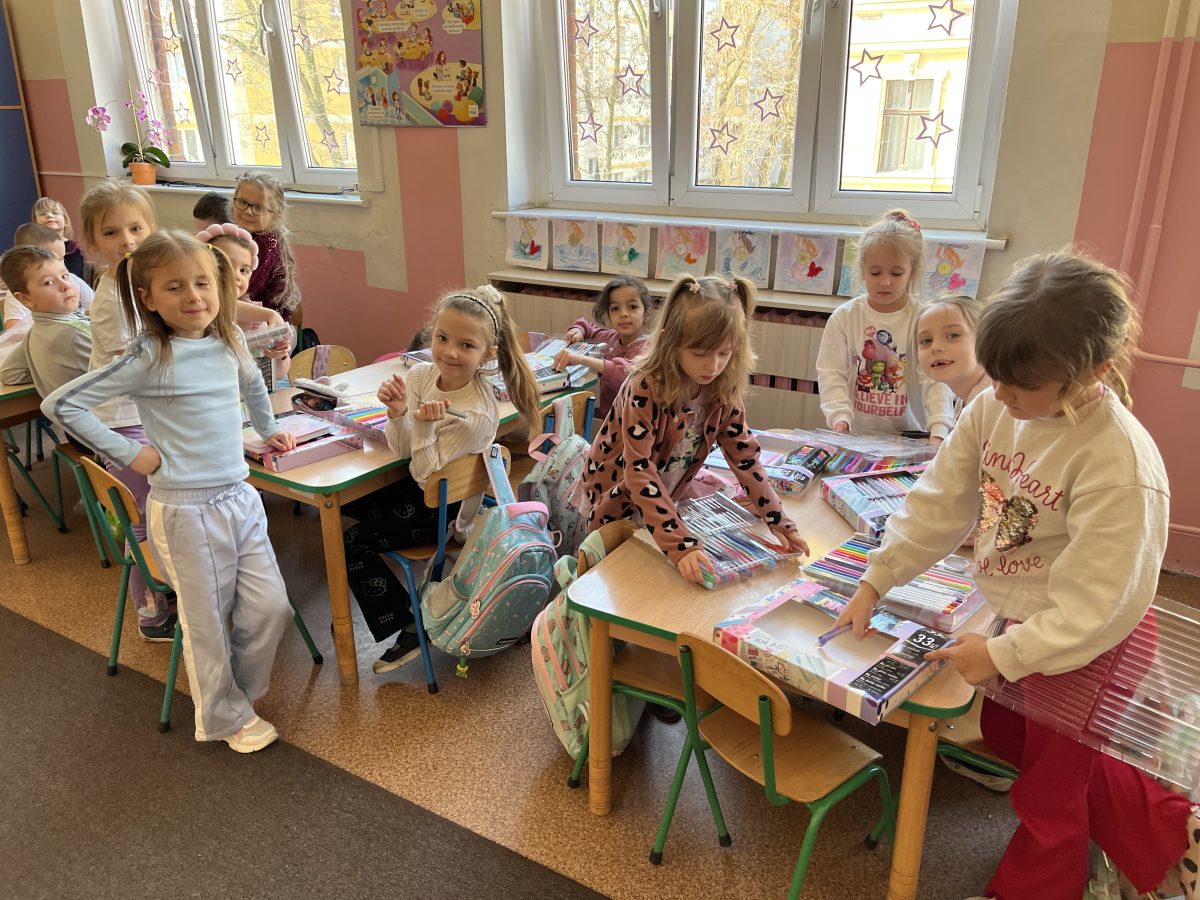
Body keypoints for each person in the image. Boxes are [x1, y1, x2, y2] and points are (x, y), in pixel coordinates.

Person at [833, 250, 1199, 900]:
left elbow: (1097, 608)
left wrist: (1003, 654)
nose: (999, 395)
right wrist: (875, 578)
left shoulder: (1117, 460)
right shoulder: (996, 405)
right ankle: (1171, 832)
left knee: (1049, 795)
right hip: (1032, 618)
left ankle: (1034, 888)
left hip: (1092, 640)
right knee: (1011, 736)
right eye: (996, 376)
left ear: (1092, 372)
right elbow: (939, 501)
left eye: (1020, 385)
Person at [43, 230, 298, 754]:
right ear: (149, 298)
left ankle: (238, 696)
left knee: (273, 608)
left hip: (239, 496)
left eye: (203, 283)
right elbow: (63, 405)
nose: (194, 296)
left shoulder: (228, 341)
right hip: (186, 510)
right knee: (206, 623)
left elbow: (253, 382)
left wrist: (267, 427)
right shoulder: (149, 355)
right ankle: (224, 716)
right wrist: (130, 452)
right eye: (175, 287)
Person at [343, 285, 540, 674]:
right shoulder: (420, 375)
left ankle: (410, 624)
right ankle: (409, 610)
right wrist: (398, 413)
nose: (450, 352)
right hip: (422, 486)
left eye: (466, 346)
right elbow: (403, 450)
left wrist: (423, 427)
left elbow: (423, 473)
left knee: (352, 543)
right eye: (442, 338)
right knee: (345, 503)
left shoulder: (477, 413)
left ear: (487, 354)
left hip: (443, 510)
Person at [577, 274, 809, 586]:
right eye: (700, 353)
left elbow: (745, 458)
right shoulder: (645, 385)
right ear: (671, 342)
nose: (713, 366)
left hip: (661, 498)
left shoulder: (723, 388)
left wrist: (778, 519)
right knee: (616, 580)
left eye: (724, 353)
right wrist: (680, 545)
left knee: (658, 583)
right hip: (614, 498)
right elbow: (639, 471)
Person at [78, 181, 174, 641]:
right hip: (121, 420)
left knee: (163, 514)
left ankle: (176, 591)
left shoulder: (142, 281)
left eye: (136, 228)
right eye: (111, 232)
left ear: (151, 228)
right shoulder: (110, 296)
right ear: (92, 242)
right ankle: (151, 612)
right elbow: (129, 362)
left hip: (147, 414)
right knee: (144, 520)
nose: (127, 240)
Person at [816, 209, 954, 438]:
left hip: (913, 437)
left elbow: (936, 380)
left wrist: (939, 428)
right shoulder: (844, 318)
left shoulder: (924, 319)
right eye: (875, 272)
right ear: (863, 270)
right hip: (857, 435)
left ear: (911, 272)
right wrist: (839, 417)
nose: (885, 282)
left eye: (896, 273)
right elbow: (831, 373)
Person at [195, 223, 291, 383]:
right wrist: (269, 314)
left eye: (243, 270)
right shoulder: (193, 308)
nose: (236, 276)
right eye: (224, 265)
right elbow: (222, 306)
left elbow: (276, 375)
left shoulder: (253, 319)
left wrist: (279, 355)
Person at [554, 275, 656, 417]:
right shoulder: (611, 337)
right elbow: (588, 327)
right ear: (608, 315)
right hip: (609, 420)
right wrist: (577, 330)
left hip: (636, 424)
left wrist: (581, 359)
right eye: (615, 308)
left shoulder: (649, 348)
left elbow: (624, 374)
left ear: (647, 313)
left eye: (632, 307)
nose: (623, 314)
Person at [0, 246, 90, 399]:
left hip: (64, 413)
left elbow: (9, 373)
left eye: (65, 276)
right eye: (49, 282)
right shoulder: (74, 332)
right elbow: (123, 373)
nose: (65, 285)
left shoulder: (34, 333)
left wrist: (52, 371)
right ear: (25, 299)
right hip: (101, 412)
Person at [232, 172, 300, 322]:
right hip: (246, 314)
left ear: (275, 214)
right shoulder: (237, 234)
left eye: (258, 207)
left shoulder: (266, 243)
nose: (248, 211)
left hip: (265, 323)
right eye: (242, 202)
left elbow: (244, 288)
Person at [913, 292, 990, 421]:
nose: (936, 347)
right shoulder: (967, 398)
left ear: (984, 338)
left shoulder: (994, 401)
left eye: (953, 335)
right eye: (926, 340)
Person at [12, 223, 95, 314]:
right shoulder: (23, 292)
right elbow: (15, 322)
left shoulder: (72, 279)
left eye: (62, 258)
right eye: (48, 282)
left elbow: (94, 307)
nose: (61, 265)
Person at [32, 197, 88, 282]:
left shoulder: (73, 247)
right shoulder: (33, 250)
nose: (49, 216)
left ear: (65, 221)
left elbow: (72, 277)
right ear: (35, 223)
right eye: (42, 214)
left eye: (55, 213)